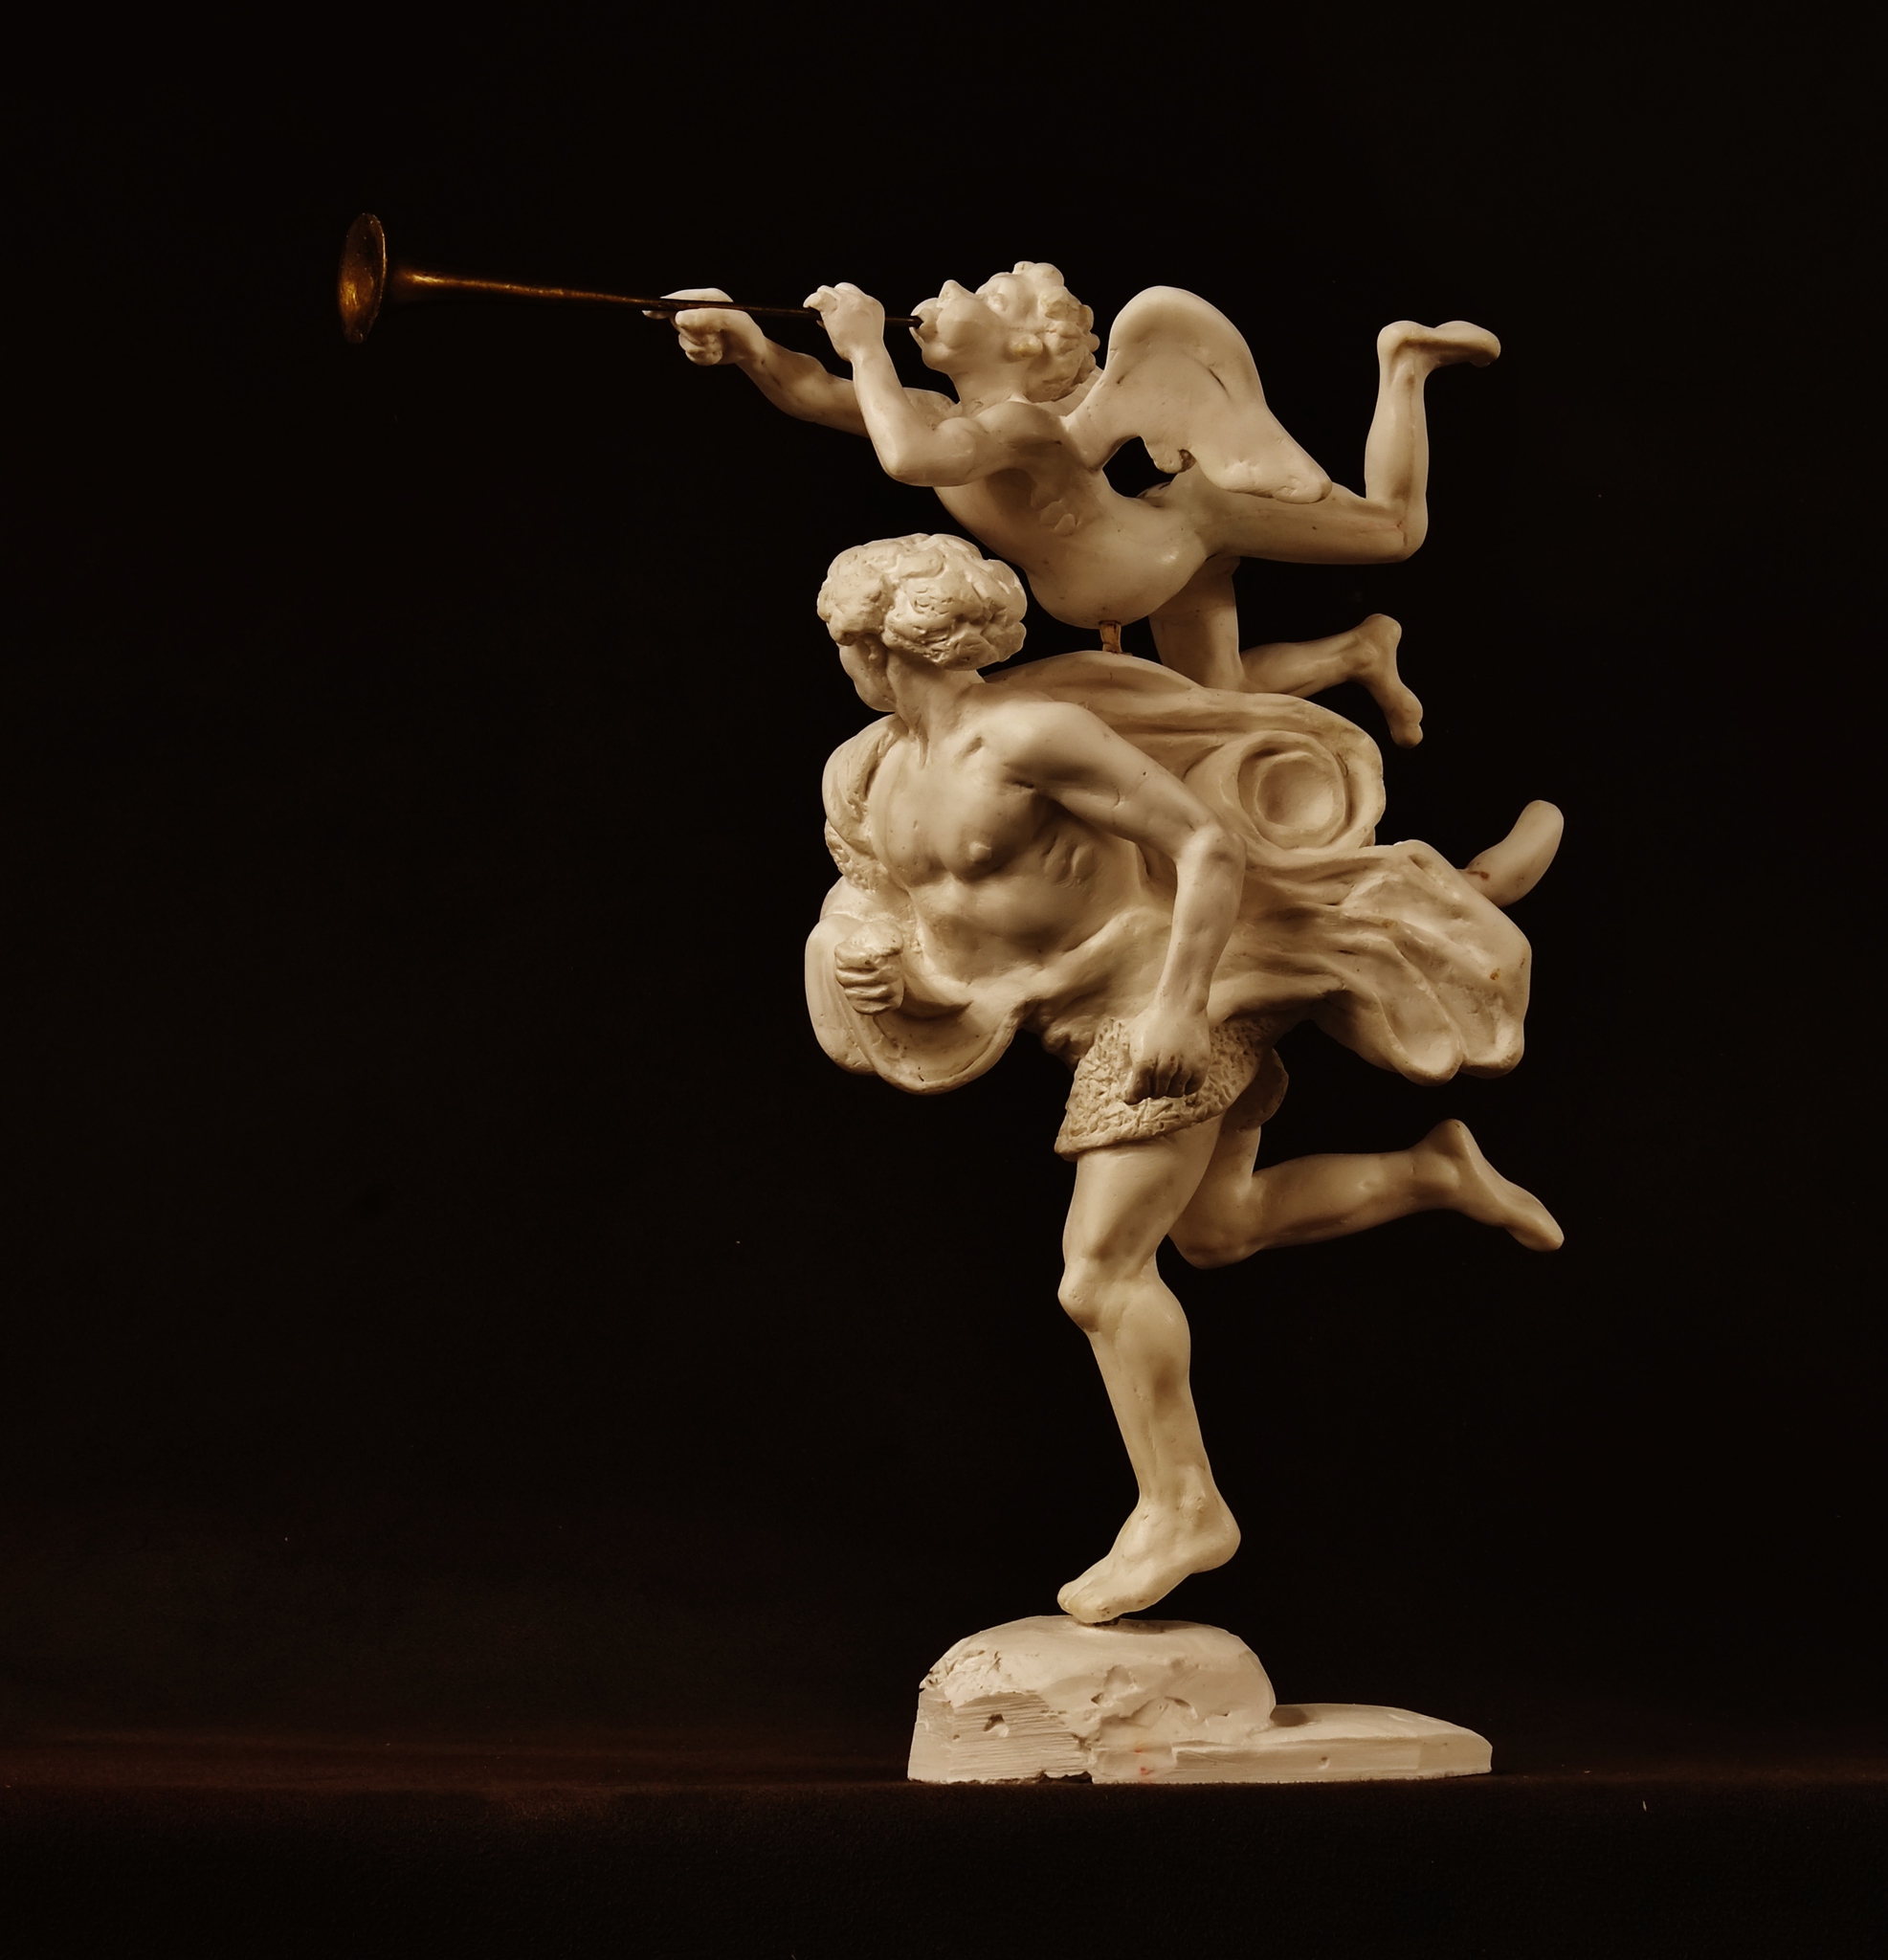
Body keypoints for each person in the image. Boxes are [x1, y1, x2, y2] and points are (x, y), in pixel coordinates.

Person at [807, 534, 1561, 1624]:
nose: (844, 662)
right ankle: (1432, 1172)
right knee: (1217, 1229)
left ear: (885, 642)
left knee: (1096, 1275)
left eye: (846, 641)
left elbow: (1207, 844)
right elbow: (870, 895)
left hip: (1167, 997)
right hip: (1067, 1017)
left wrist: (1176, 1003)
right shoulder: (864, 769)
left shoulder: (1028, 737)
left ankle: (1182, 1507)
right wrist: (873, 962)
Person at [667, 264, 1498, 741]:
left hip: (1176, 538)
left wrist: (864, 346)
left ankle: (1405, 364)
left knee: (1395, 532)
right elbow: (813, 392)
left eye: (987, 296)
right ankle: (1360, 653)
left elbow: (911, 461)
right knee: (1219, 702)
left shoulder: (1022, 427)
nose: (948, 285)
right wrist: (742, 336)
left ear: (1025, 348)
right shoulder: (931, 410)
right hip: (1140, 569)